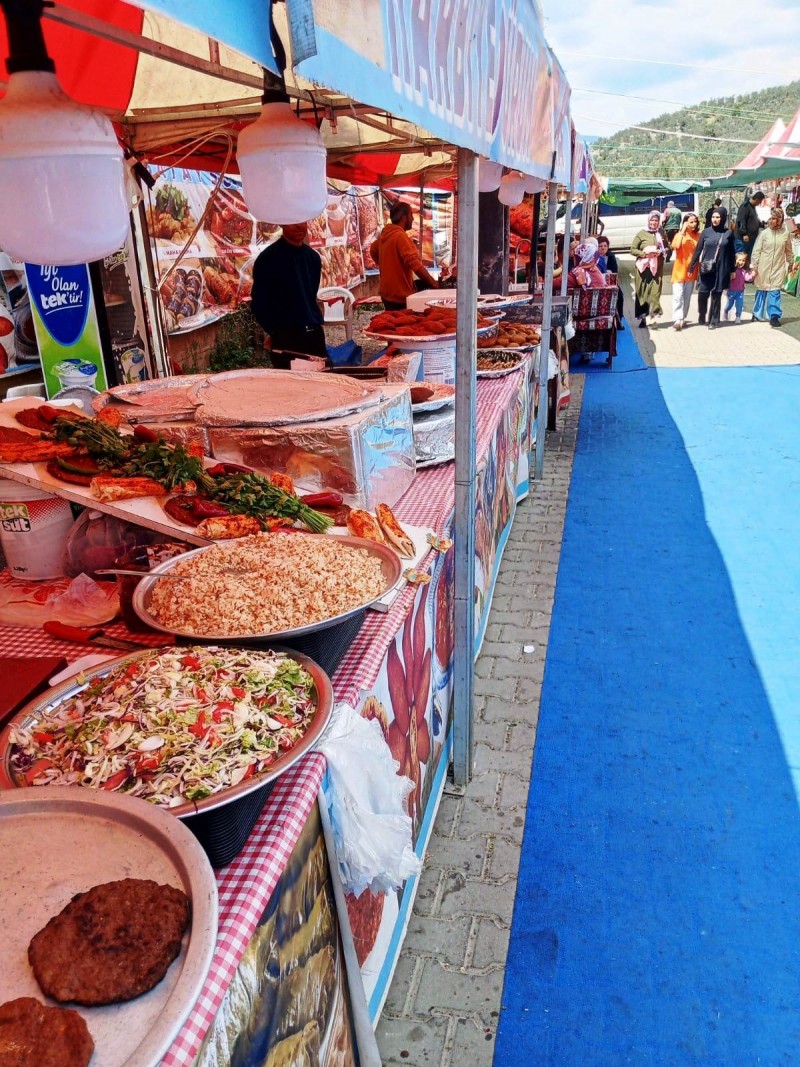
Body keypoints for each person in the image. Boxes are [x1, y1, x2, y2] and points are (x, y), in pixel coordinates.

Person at [250, 222, 327, 358]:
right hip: (286, 338)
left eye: (302, 221)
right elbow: (259, 302)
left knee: (321, 371)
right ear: (282, 224)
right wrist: (274, 331)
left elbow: (310, 295)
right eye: (293, 222)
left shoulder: (313, 257)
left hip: (314, 334)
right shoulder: (268, 258)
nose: (299, 226)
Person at [370, 201, 439, 309]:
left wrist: (387, 265)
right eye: (411, 215)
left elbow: (372, 250)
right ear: (404, 218)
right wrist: (434, 283)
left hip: (386, 295)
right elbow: (416, 265)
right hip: (400, 297)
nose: (413, 218)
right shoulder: (400, 236)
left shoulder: (386, 235)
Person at [688, 208, 735, 329]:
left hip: (721, 268)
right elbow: (698, 250)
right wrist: (691, 267)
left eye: (718, 217)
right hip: (706, 268)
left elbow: (731, 253)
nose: (715, 220)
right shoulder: (706, 232)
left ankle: (713, 320)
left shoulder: (728, 233)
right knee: (703, 293)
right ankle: (702, 313)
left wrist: (732, 270)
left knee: (716, 294)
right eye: (713, 217)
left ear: (723, 218)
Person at [750, 207, 795, 327]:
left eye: (774, 218)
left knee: (775, 291)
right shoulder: (764, 234)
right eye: (771, 218)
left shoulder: (785, 234)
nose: (771, 220)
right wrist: (754, 266)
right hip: (763, 267)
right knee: (762, 290)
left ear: (780, 219)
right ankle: (757, 313)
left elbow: (789, 251)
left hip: (778, 268)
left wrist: (791, 263)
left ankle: (774, 316)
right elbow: (756, 251)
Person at [630, 210, 667, 328]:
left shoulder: (661, 233)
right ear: (648, 220)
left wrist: (661, 251)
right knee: (642, 293)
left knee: (655, 293)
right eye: (652, 220)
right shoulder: (641, 233)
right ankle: (643, 318)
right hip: (643, 270)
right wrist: (645, 254)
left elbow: (668, 247)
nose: (654, 222)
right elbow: (632, 249)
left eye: (656, 220)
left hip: (657, 269)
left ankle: (653, 317)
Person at [670, 212, 700, 331]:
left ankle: (682, 318)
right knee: (678, 295)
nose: (693, 224)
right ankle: (677, 319)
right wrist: (682, 230)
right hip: (679, 269)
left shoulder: (698, 236)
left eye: (695, 222)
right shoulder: (679, 235)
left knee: (687, 296)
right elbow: (675, 246)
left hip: (691, 270)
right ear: (685, 223)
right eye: (691, 222)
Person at [596, 235, 625, 329]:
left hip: (610, 282)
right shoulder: (594, 257)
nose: (603, 248)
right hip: (597, 283)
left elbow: (614, 271)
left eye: (605, 246)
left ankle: (619, 320)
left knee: (620, 296)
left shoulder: (611, 256)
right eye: (600, 246)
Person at [724, 252, 754, 324]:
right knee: (730, 305)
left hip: (740, 292)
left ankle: (738, 317)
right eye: (739, 260)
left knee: (739, 305)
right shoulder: (732, 270)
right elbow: (726, 278)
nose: (741, 262)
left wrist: (752, 275)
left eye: (743, 260)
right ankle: (726, 310)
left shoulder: (744, 271)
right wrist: (730, 277)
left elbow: (747, 278)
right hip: (731, 291)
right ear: (735, 260)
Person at [734, 190, 765, 254]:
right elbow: (741, 220)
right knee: (741, 256)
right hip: (743, 239)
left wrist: (762, 225)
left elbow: (754, 220)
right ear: (757, 199)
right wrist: (744, 234)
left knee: (748, 257)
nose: (759, 204)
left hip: (751, 239)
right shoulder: (745, 206)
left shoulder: (753, 207)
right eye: (760, 202)